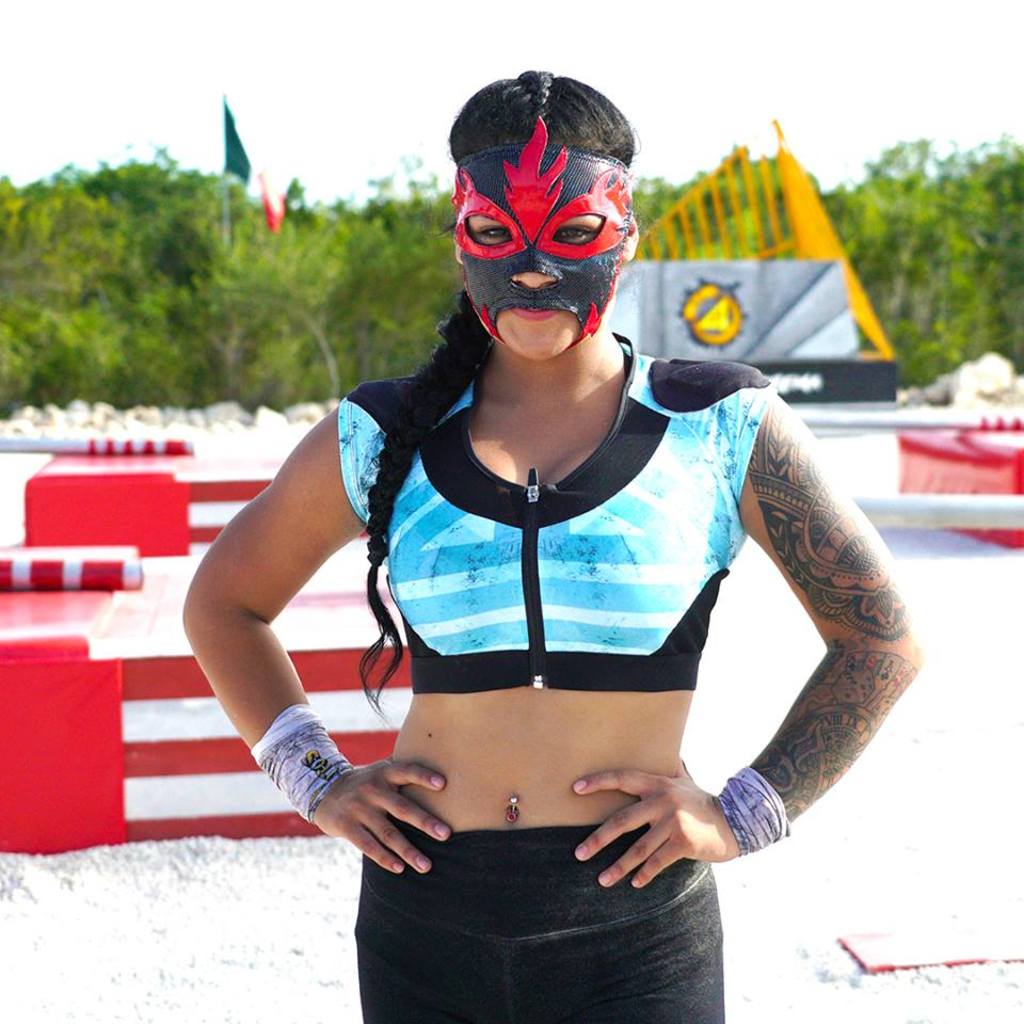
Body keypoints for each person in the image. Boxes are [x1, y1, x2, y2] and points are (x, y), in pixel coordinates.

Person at [184, 71, 926, 1024]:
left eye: (572, 232)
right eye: (495, 232)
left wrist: (745, 812)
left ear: (627, 232)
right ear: (460, 235)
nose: (533, 268)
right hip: (424, 920)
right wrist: (314, 777)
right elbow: (225, 605)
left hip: (638, 929)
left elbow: (881, 638)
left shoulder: (719, 425)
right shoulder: (384, 431)